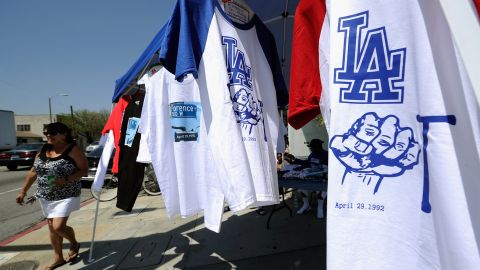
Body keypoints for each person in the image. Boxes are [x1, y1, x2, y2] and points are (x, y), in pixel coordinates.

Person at [16, 122, 88, 270]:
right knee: (51, 227)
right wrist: (23, 191)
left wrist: (65, 180)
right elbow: (34, 171)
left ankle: (73, 243)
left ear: (64, 134)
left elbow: (83, 170)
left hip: (66, 193)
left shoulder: (73, 150)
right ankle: (58, 257)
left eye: (53, 132)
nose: (49, 135)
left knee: (58, 226)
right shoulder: (44, 148)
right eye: (46, 133)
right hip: (46, 194)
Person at [284, 138, 328, 219]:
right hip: (311, 178)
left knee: (320, 190)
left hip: (323, 180)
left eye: (312, 147)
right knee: (301, 188)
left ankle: (320, 207)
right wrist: (294, 161)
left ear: (318, 147)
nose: (311, 149)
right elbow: (307, 163)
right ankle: (306, 205)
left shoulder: (327, 155)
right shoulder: (312, 155)